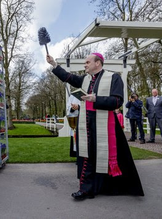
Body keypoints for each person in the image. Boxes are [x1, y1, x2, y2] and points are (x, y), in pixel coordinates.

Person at [46, 53, 144, 200]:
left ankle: (106, 187)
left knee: (106, 156)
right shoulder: (86, 79)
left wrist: (95, 99)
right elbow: (69, 78)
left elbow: (117, 102)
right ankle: (87, 189)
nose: (84, 65)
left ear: (97, 63)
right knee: (87, 157)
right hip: (86, 124)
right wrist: (54, 64)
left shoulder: (113, 77)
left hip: (105, 125)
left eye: (87, 62)